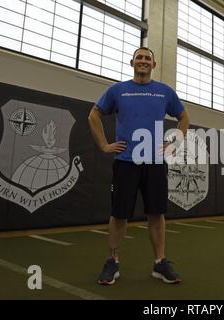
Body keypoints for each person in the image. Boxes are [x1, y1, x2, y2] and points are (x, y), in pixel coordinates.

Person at [88, 47, 189, 285]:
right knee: (119, 214)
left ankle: (160, 263)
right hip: (125, 162)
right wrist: (103, 144)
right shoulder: (118, 90)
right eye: (139, 58)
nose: (143, 61)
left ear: (153, 65)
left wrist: (173, 143)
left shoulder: (165, 92)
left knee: (156, 213)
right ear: (132, 62)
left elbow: (184, 117)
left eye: (147, 59)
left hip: (154, 163)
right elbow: (93, 115)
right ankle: (112, 262)